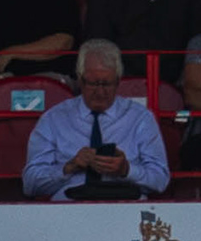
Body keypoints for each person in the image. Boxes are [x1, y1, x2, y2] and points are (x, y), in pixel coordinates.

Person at [20, 40, 170, 199]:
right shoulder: (54, 118)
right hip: (70, 206)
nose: (100, 92)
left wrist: (126, 170)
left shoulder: (140, 118)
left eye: (107, 84)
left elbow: (160, 180)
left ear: (118, 81)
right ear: (80, 80)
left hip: (125, 204)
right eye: (93, 84)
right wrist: (69, 167)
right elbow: (30, 184)